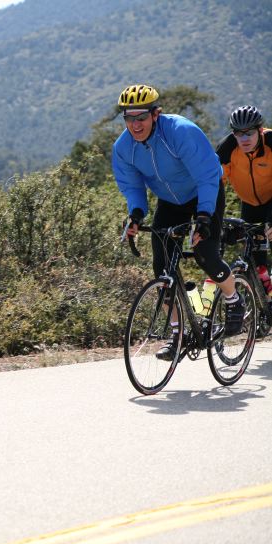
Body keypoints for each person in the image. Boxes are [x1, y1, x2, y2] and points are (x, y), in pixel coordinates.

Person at [112, 84, 244, 360]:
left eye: (141, 117)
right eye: (129, 118)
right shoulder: (123, 148)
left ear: (156, 114)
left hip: (204, 192)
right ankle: (178, 333)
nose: (135, 125)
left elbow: (208, 175)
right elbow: (132, 186)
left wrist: (205, 216)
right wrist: (136, 214)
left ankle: (233, 299)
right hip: (171, 202)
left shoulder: (181, 132)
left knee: (205, 252)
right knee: (162, 270)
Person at [216, 105, 272, 302]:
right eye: (239, 134)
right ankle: (265, 303)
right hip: (249, 204)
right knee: (258, 261)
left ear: (260, 130)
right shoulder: (227, 149)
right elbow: (214, 186)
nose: (245, 139)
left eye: (249, 133)